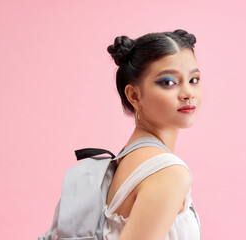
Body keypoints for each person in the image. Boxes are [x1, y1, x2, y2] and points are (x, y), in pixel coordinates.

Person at [104, 29, 203, 240]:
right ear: (134, 95)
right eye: (168, 82)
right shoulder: (168, 172)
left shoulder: (126, 159)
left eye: (194, 80)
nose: (188, 93)